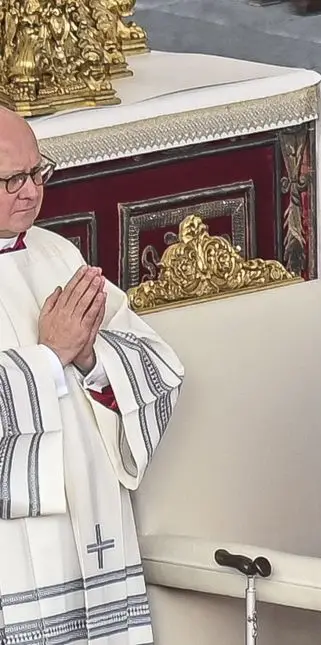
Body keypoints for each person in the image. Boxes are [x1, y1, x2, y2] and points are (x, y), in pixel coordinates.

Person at [0, 108, 184, 643]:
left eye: (39, 173)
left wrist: (89, 360)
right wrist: (49, 358)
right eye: (12, 179)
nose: (31, 192)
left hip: (93, 524)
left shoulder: (58, 254)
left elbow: (156, 370)